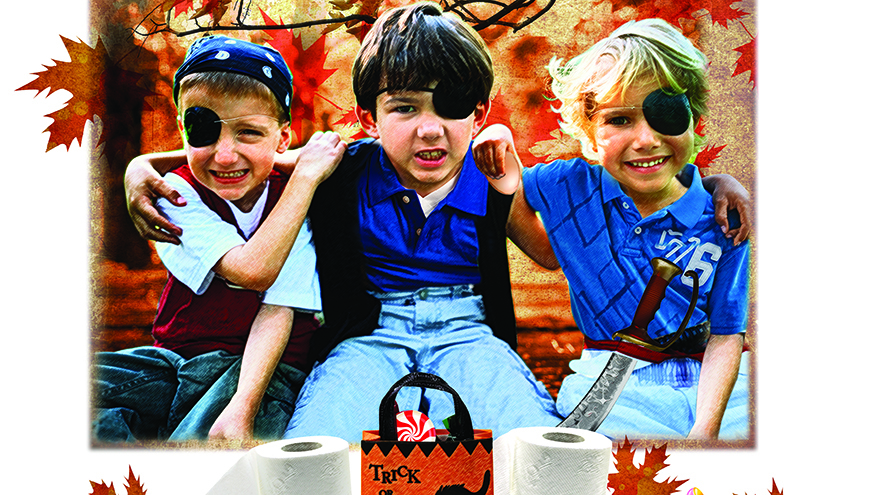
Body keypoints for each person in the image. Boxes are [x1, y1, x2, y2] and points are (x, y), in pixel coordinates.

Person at [124, 6, 752, 443]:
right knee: (317, 441)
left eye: (451, 108)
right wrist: (141, 166)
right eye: (405, 107)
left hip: (470, 330)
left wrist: (720, 182)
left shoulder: (491, 168)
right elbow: (248, 153)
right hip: (372, 332)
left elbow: (557, 243)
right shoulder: (345, 165)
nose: (430, 128)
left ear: (478, 114)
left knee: (531, 444)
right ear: (368, 117)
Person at [474, 18, 751, 440]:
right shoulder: (568, 186)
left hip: (718, 387)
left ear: (692, 116)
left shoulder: (723, 217)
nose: (645, 139)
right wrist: (497, 137)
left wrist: (704, 433)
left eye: (665, 113)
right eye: (619, 120)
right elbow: (523, 210)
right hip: (610, 382)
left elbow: (727, 335)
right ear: (588, 128)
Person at [92, 35, 346, 443]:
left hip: (259, 374)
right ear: (183, 129)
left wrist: (240, 411)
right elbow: (249, 267)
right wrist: (141, 164)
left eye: (249, 133)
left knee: (205, 445)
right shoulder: (174, 194)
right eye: (203, 130)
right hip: (175, 361)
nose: (225, 155)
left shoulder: (296, 194)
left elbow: (273, 300)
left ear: (283, 138)